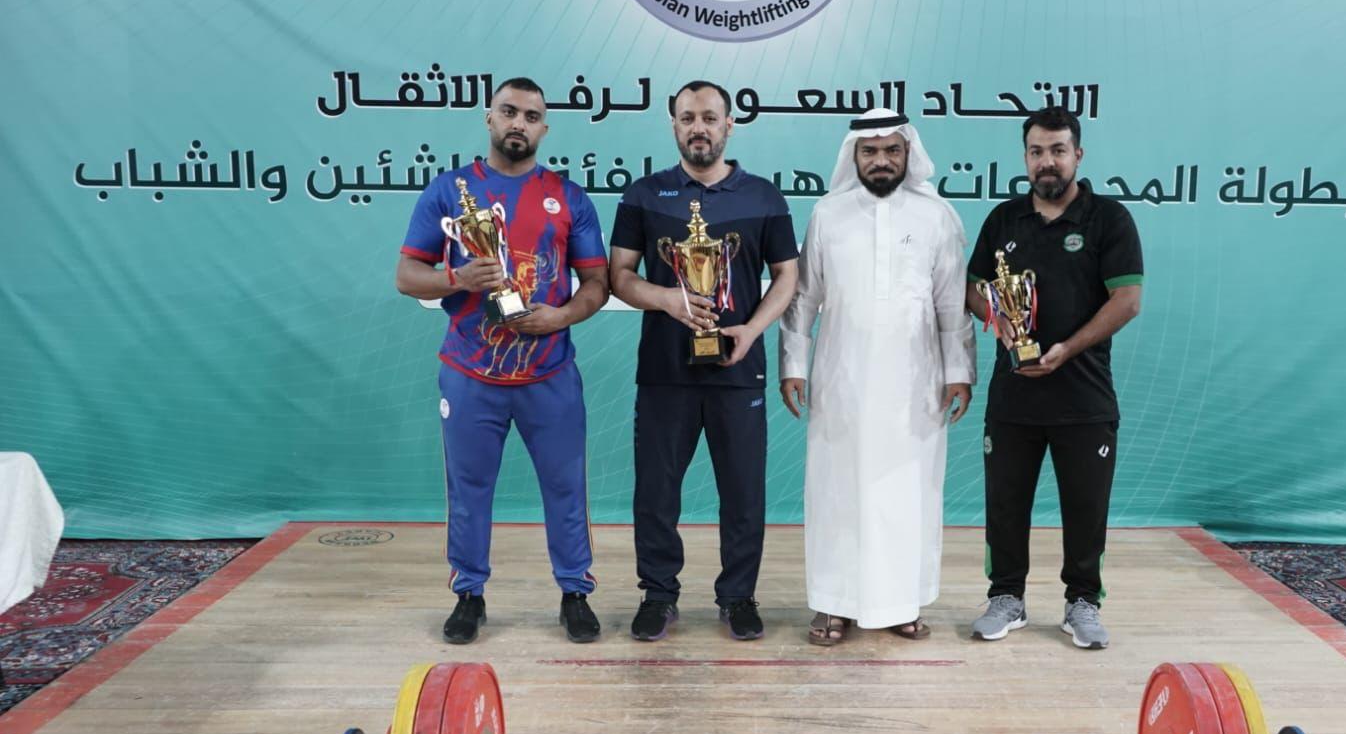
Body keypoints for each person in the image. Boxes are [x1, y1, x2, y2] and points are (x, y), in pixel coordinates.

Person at [395, 77, 609, 645]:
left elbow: (596, 284)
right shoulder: (449, 191)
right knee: (468, 489)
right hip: (471, 373)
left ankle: (575, 592)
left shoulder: (568, 197)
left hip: (549, 373)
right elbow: (406, 276)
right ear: (489, 118)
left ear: (544, 129)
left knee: (566, 487)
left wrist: (559, 317)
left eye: (531, 116)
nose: (519, 123)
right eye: (509, 111)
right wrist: (458, 277)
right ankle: (469, 594)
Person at [607, 80, 800, 641]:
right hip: (664, 371)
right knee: (656, 492)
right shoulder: (644, 194)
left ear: (728, 125)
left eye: (710, 118)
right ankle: (658, 594)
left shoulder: (763, 197)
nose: (699, 128)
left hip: (738, 369)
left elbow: (787, 275)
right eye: (688, 117)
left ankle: (738, 597)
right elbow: (619, 276)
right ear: (674, 124)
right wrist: (667, 298)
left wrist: (752, 330)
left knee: (743, 493)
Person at [778, 108, 975, 646]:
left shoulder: (936, 216)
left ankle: (900, 603)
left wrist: (959, 372)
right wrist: (793, 365)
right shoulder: (828, 214)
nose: (881, 160)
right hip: (841, 379)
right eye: (870, 151)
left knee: (907, 493)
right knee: (837, 490)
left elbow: (951, 303)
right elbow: (803, 298)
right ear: (854, 155)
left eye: (892, 150)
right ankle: (833, 604)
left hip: (916, 385)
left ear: (908, 153)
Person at [966, 106, 1143, 648]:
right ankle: (1006, 598)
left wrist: (1068, 349)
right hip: (1013, 396)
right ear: (1026, 157)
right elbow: (972, 287)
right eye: (1037, 151)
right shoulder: (1003, 219)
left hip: (1084, 397)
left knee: (1086, 508)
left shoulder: (1108, 218)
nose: (1047, 162)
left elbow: (1127, 300)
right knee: (1005, 504)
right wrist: (999, 321)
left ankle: (1082, 603)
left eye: (1058, 151)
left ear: (1077, 155)